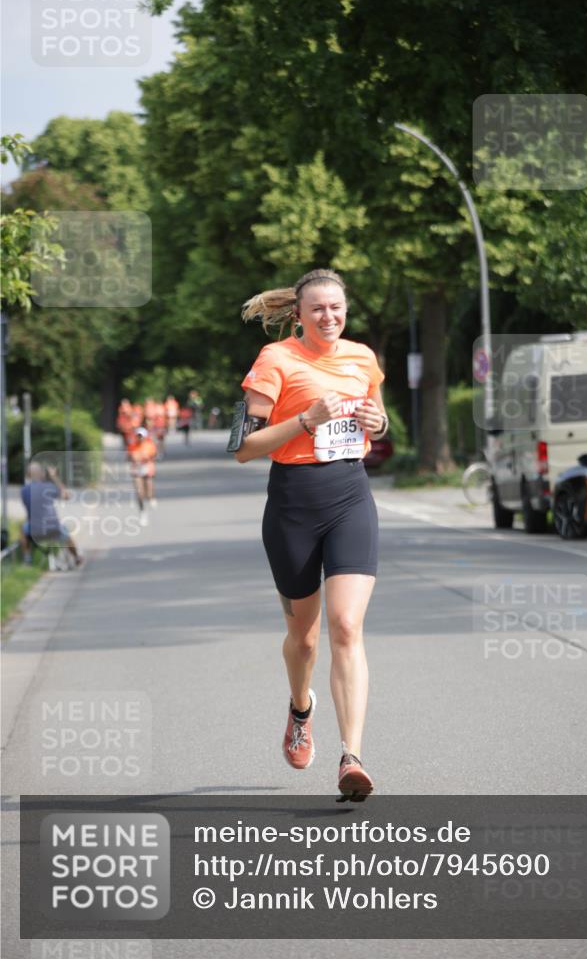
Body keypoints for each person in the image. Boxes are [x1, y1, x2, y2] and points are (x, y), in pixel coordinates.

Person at [236, 267, 389, 800]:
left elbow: (379, 418)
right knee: (304, 639)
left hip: (351, 497)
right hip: (293, 505)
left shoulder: (362, 358)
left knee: (346, 626)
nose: (329, 316)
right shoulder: (274, 361)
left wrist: (378, 424)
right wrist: (305, 420)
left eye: (337, 308)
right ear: (298, 314)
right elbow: (243, 448)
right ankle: (301, 709)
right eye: (318, 309)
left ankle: (352, 757)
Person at [20, 462, 83, 566]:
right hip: (53, 529)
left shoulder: (24, 490)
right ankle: (76, 557)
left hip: (34, 530)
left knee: (23, 528)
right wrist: (54, 477)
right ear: (41, 474)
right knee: (66, 533)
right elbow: (66, 496)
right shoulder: (49, 487)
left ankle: (27, 558)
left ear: (28, 475)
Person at [126, 427, 158, 526]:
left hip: (147, 468)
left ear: (145, 436)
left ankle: (151, 498)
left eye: (141, 436)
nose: (140, 438)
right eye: (138, 436)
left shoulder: (149, 445)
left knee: (148, 489)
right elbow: (128, 458)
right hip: (137, 470)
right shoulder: (132, 446)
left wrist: (146, 459)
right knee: (139, 493)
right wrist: (133, 459)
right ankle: (142, 512)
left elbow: (154, 456)